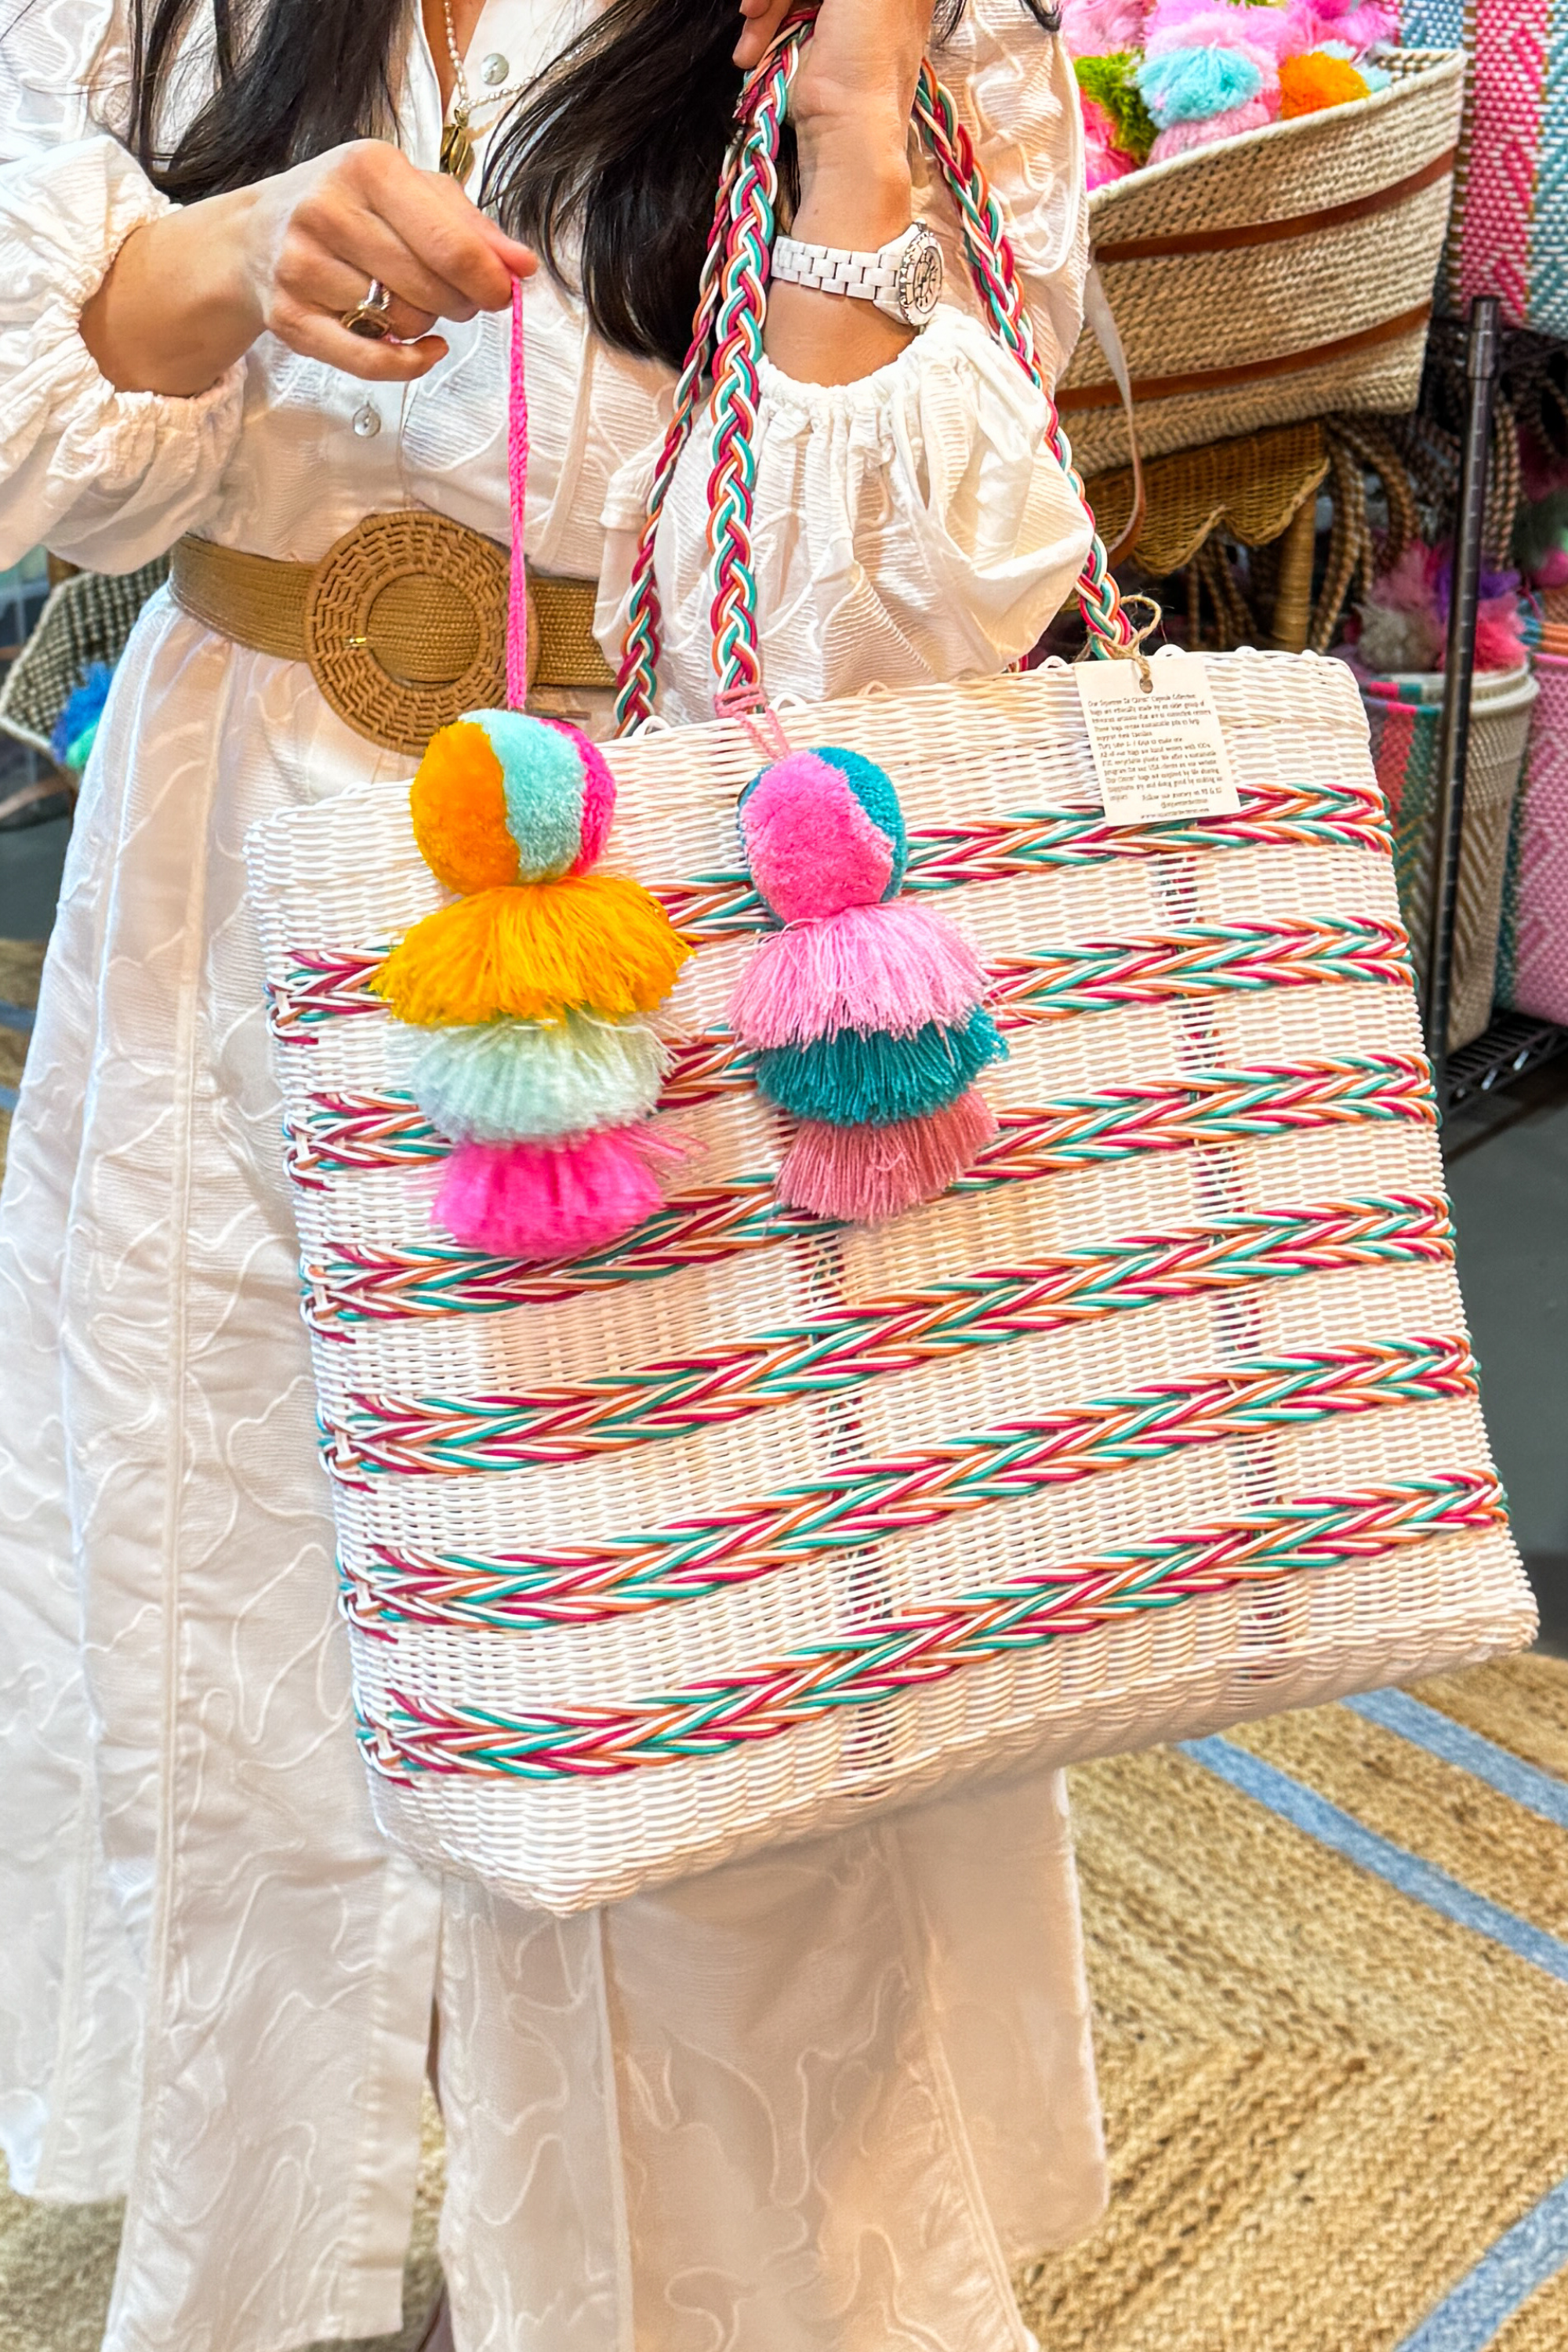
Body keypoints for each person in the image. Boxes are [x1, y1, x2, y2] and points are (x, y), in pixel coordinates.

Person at [0, 1, 1106, 2345]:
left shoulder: (917, 49)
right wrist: (235, 248)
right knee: (254, 1643)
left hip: (683, 945)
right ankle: (321, 2265)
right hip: (233, 916)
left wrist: (846, 126)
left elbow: (883, 625)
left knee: (699, 1689)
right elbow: (33, 451)